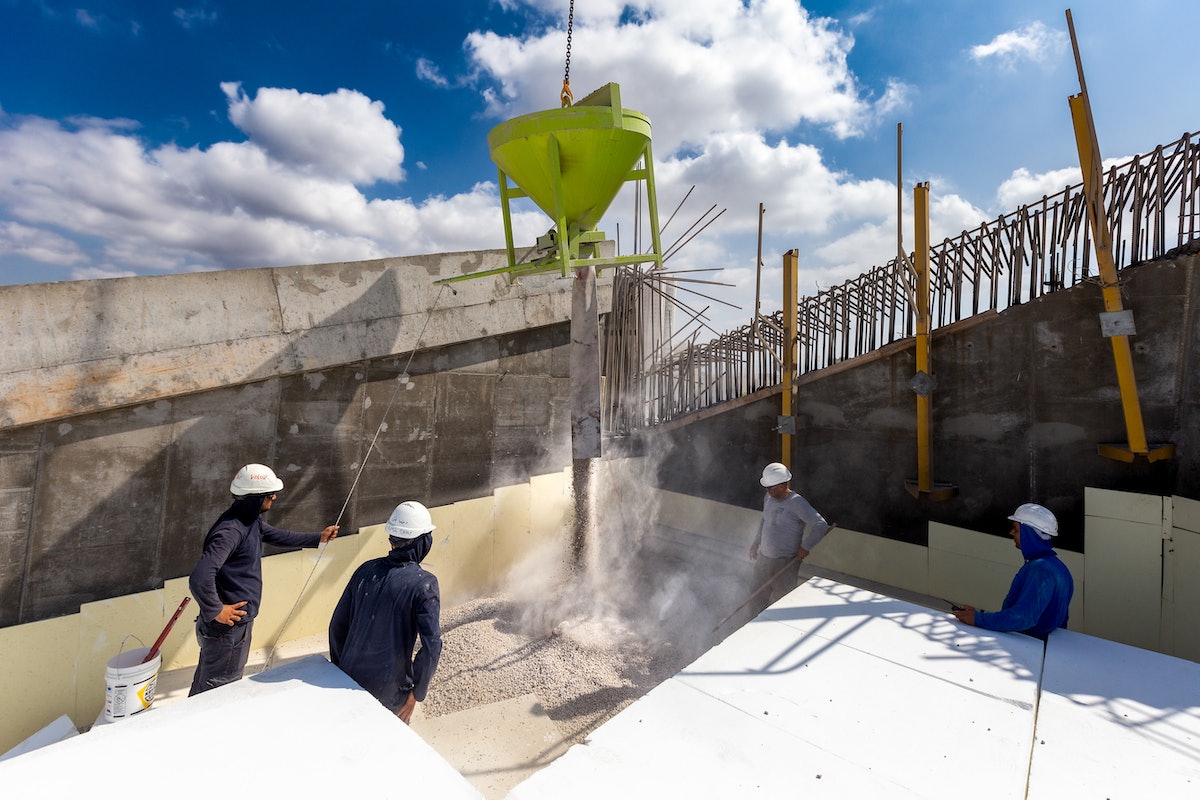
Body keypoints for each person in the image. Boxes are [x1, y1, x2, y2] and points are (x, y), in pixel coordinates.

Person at [188, 463, 339, 696]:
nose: (275, 498)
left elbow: (277, 535)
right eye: (270, 495)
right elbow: (200, 577)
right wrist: (217, 609)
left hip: (231, 630)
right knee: (217, 690)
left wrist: (317, 538)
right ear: (254, 498)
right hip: (228, 631)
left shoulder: (249, 521)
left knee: (209, 682)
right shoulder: (231, 531)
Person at [328, 500, 443, 724]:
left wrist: (343, 669)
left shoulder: (365, 570)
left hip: (348, 678)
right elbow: (432, 646)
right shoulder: (424, 584)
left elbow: (337, 626)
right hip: (390, 692)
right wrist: (416, 694)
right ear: (422, 542)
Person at [952, 502, 1074, 639]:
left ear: (1028, 535)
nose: (1011, 533)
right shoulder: (1058, 567)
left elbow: (1023, 618)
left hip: (1029, 646)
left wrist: (978, 619)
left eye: (1015, 529)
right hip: (1042, 645)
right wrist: (977, 615)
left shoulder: (1040, 570)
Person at [747, 462, 831, 611]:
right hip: (763, 559)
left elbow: (821, 525)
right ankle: (752, 624)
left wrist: (806, 546)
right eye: (765, 487)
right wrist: (756, 541)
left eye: (769, 487)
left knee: (782, 603)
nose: (766, 490)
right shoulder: (768, 497)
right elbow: (765, 520)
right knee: (756, 597)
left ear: (781, 485)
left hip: (785, 563)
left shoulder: (797, 503)